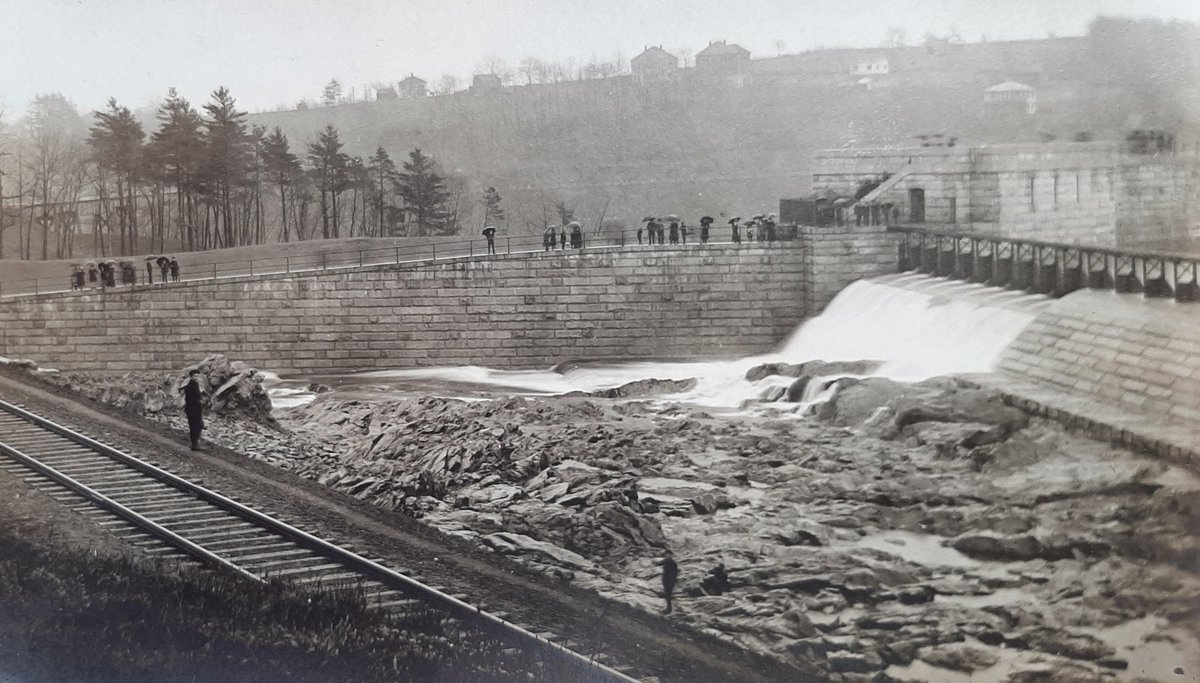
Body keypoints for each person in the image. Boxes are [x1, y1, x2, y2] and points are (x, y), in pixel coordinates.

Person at [183, 369, 205, 451]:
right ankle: (195, 444)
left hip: (195, 409)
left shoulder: (195, 384)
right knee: (195, 426)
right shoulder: (190, 386)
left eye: (198, 376)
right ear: (191, 377)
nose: (197, 378)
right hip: (193, 409)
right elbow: (191, 399)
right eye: (195, 376)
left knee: (198, 425)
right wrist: (199, 402)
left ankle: (195, 443)